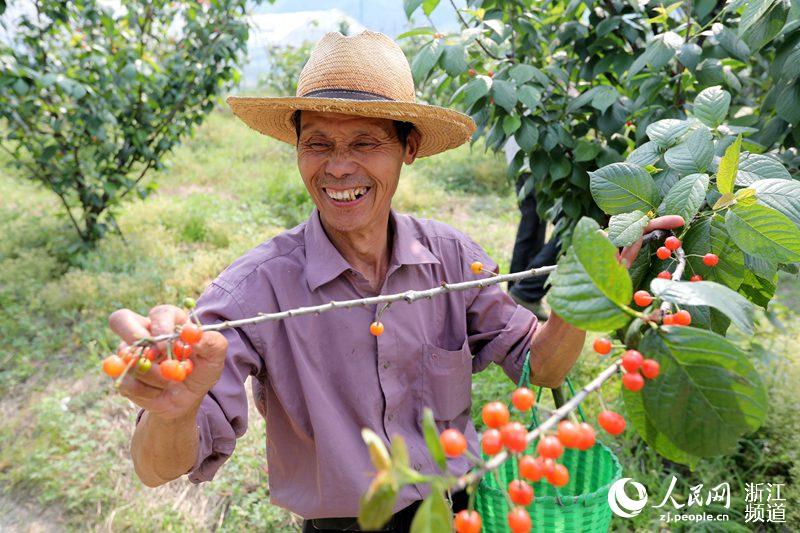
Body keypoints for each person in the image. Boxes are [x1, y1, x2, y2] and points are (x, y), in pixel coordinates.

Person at [107, 31, 683, 532]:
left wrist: (590, 286)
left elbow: (544, 366)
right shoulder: (255, 293)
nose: (338, 167)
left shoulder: (453, 260)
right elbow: (158, 469)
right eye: (319, 144)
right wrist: (173, 410)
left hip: (459, 509)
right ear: (297, 150)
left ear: (408, 149)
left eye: (365, 142)